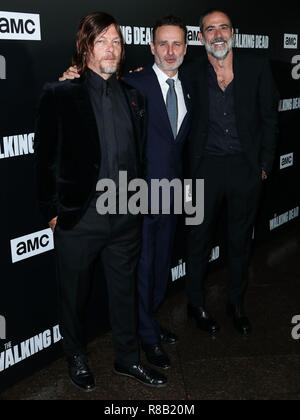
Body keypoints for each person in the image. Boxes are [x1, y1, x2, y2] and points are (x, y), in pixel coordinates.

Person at [34, 11, 167, 392]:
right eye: (101, 40)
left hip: (126, 215)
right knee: (73, 295)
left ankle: (128, 359)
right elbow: (44, 160)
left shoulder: (135, 97)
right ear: (85, 47)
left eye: (116, 41)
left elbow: (138, 156)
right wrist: (53, 215)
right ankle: (75, 355)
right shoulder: (60, 93)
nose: (110, 48)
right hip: (80, 218)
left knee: (125, 293)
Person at [59, 16, 193, 370]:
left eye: (177, 43)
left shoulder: (180, 86)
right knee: (120, 278)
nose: (169, 50)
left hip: (159, 198)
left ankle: (140, 336)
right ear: (150, 48)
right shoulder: (127, 83)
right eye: (162, 43)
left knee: (153, 271)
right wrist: (53, 211)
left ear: (185, 47)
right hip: (111, 206)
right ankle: (130, 341)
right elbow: (50, 157)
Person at [182, 9, 279, 335]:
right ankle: (195, 304)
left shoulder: (256, 66)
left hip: (244, 169)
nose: (218, 34)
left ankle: (235, 304)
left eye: (223, 27)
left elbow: (270, 119)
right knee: (198, 239)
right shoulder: (191, 72)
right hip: (205, 169)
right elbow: (153, 82)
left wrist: (264, 166)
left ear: (233, 32)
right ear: (200, 37)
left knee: (240, 241)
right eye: (210, 29)